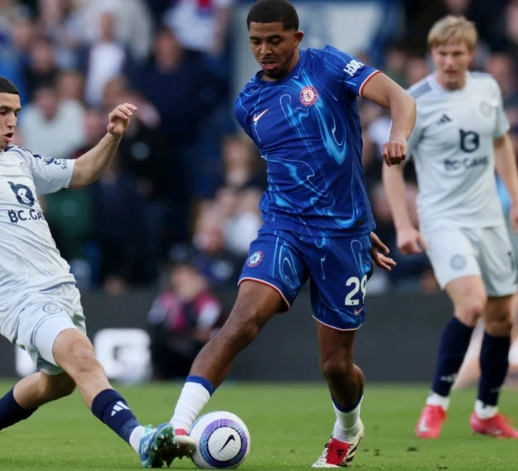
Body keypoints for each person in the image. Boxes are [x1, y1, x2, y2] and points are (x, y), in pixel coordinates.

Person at [0, 74, 186, 468]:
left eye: (16, 113)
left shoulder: (21, 159)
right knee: (83, 357)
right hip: (20, 294)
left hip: (61, 289)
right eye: (2, 112)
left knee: (57, 382)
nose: (12, 121)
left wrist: (112, 137)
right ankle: (142, 439)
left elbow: (80, 173)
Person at [163, 0, 416, 468]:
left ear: (296, 38)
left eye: (274, 40)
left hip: (343, 238)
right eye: (256, 41)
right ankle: (176, 427)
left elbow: (402, 99)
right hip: (284, 226)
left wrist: (396, 137)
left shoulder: (329, 65)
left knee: (336, 366)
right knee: (239, 325)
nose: (264, 50)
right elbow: (293, 165)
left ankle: (347, 428)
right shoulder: (248, 105)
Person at [382, 16, 518, 440]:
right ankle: (436, 404)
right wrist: (404, 223)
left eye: (457, 52)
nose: (449, 60)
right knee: (473, 304)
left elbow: (500, 143)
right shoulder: (415, 101)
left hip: (488, 219)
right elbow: (393, 166)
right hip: (443, 219)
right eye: (442, 52)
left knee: (501, 319)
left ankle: (486, 412)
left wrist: (515, 197)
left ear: (470, 54)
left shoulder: (487, 89)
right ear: (432, 53)